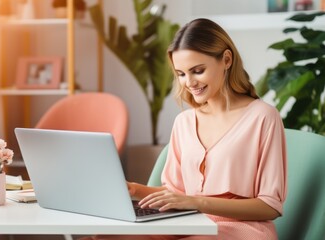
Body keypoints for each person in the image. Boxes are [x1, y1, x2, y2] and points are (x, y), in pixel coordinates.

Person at [81, 18, 287, 240]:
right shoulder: (184, 122)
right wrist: (133, 189)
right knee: (106, 237)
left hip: (241, 230)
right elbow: (176, 194)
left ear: (226, 60)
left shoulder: (263, 117)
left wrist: (196, 202)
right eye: (181, 74)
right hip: (187, 222)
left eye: (197, 70)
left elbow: (270, 206)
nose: (189, 82)